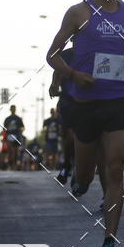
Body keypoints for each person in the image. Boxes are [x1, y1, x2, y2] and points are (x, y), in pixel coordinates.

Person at [46, 0, 124, 247]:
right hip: (85, 103)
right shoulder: (79, 13)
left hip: (118, 100)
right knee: (86, 175)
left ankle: (109, 242)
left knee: (114, 170)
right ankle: (80, 178)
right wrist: (74, 75)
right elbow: (52, 54)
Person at [50, 48, 76, 185]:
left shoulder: (94, 50)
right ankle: (66, 166)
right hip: (68, 100)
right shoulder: (66, 54)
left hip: (91, 99)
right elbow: (57, 70)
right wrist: (54, 85)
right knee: (69, 136)